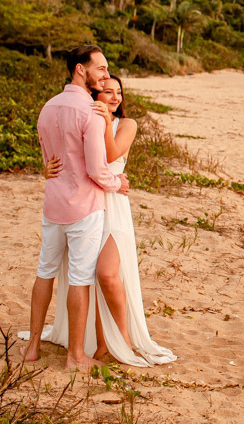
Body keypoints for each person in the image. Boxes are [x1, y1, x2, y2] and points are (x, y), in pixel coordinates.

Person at [39, 75, 176, 367]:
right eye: (107, 92)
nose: (115, 98)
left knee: (107, 273)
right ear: (94, 96)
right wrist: (46, 169)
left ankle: (123, 339)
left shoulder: (127, 125)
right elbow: (68, 155)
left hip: (114, 205)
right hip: (88, 205)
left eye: (119, 93)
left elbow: (113, 153)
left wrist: (101, 121)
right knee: (86, 274)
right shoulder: (87, 120)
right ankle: (101, 344)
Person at [21, 45, 129, 371]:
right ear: (80, 70)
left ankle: (33, 348)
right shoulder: (90, 112)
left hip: (53, 204)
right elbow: (97, 171)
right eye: (101, 69)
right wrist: (118, 184)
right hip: (85, 207)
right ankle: (75, 356)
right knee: (80, 280)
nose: (106, 75)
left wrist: (48, 173)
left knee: (45, 272)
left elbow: (48, 162)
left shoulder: (48, 107)